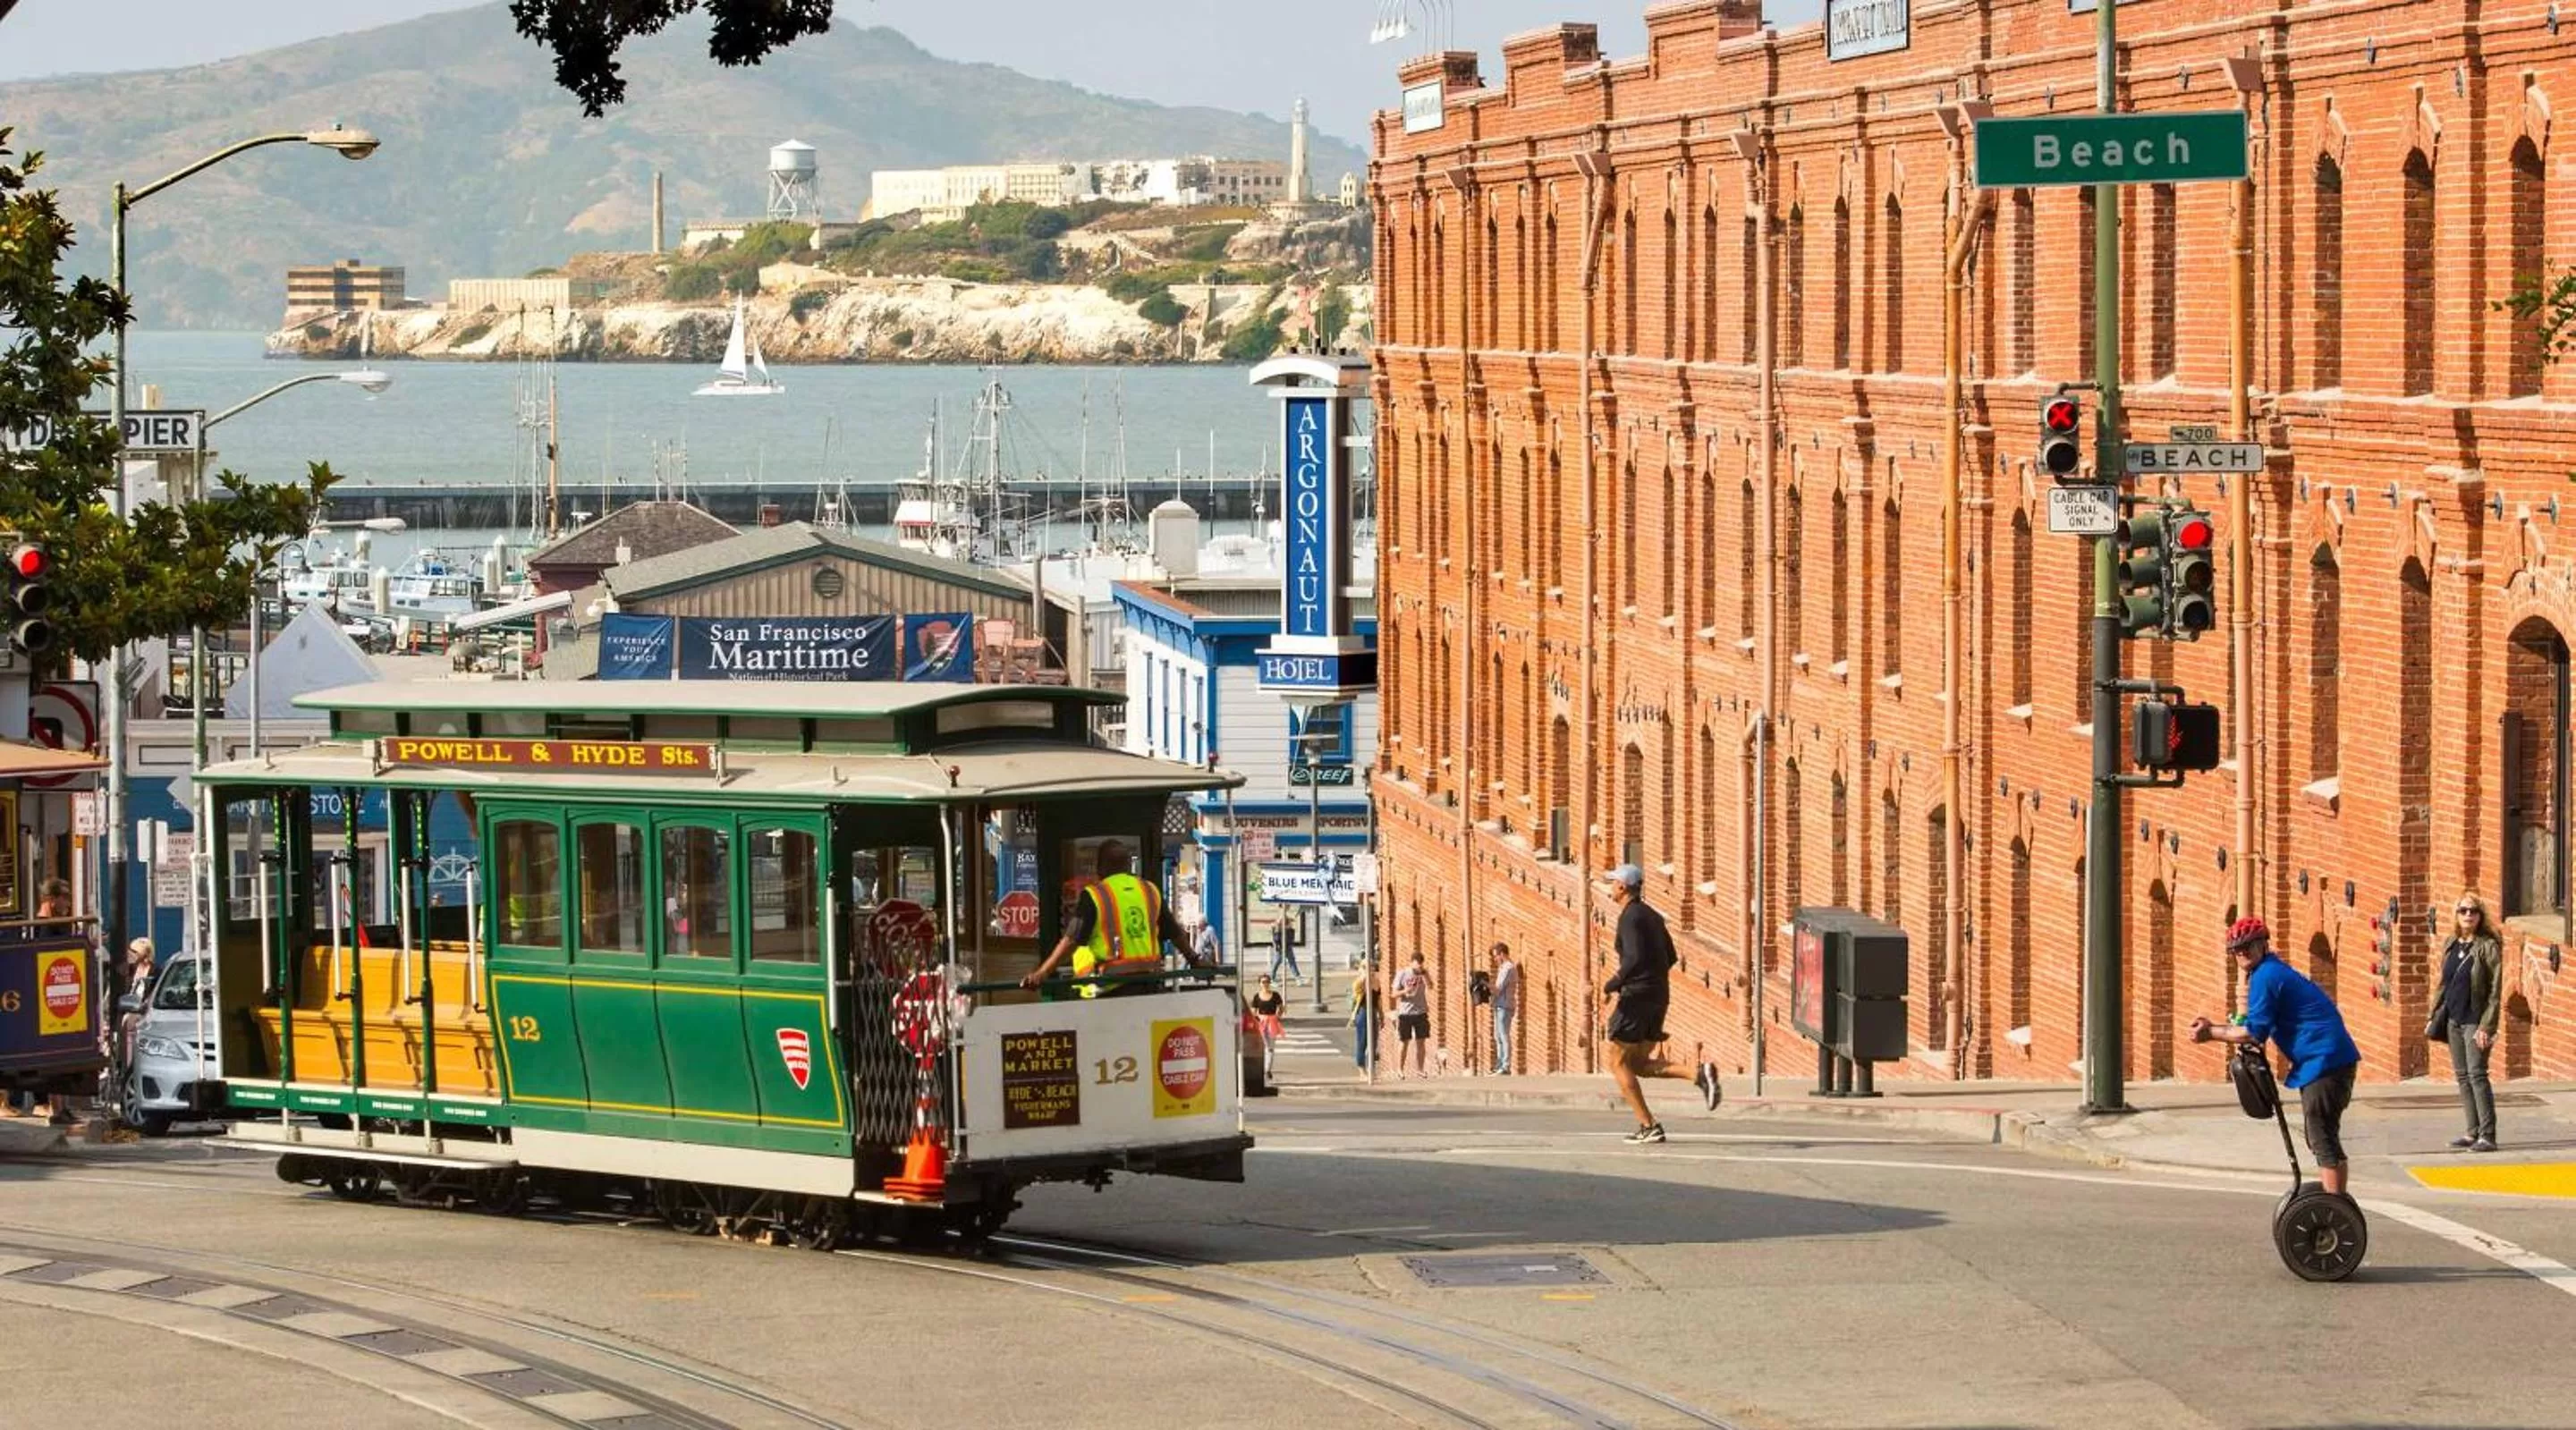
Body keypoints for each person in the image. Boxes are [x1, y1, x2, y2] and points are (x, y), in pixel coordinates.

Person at [2192, 917, 2363, 1196]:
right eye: (2237, 949)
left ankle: (2336, 1207)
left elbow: (2254, 1033)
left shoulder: (2267, 976)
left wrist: (2211, 1033)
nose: (2243, 953)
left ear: (2263, 945)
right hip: (2324, 1061)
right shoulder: (2268, 973)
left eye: (2248, 946)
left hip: (2326, 1062)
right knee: (2319, 1135)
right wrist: (2221, 1028)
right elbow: (2255, 1023)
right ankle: (2335, 1203)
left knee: (2322, 1136)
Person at [1020, 840, 1203, 997]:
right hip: (1150, 986)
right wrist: (1195, 960)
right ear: (1127, 866)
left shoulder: (1095, 895)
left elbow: (1071, 941)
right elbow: (1174, 932)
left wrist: (1042, 973)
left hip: (1112, 989)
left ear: (1101, 866)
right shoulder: (1149, 890)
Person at [1601, 864, 1675, 1144]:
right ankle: (1698, 1075)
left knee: (1617, 1061)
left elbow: (1632, 958)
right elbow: (1670, 956)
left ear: (1622, 887)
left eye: (1613, 883)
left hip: (1637, 998)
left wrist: (1614, 983)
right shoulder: (1653, 916)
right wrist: (1652, 981)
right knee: (1641, 1063)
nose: (1611, 887)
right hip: (1658, 995)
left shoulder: (1630, 917)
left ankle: (1648, 1125)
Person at [2432, 891, 2504, 1153]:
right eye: (2463, 911)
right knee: (2463, 1076)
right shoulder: (2451, 943)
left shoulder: (2488, 946)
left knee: (2477, 1075)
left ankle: (2488, 1135)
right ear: (2456, 914)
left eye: (2473, 911)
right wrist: (2434, 1012)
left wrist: (2487, 1026)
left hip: (2476, 1020)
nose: (2468, 915)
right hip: (2453, 1018)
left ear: (2481, 916)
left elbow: (2495, 991)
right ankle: (2471, 1132)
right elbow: (2444, 982)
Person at [1390, 952, 1432, 1079]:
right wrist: (1404, 991)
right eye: (1417, 963)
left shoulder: (1423, 974)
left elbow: (1431, 986)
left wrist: (1426, 975)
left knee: (1421, 1041)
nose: (1419, 966)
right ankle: (1400, 1070)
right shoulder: (1403, 974)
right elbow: (1393, 994)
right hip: (1406, 1012)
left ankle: (1420, 1069)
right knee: (1404, 1042)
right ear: (1412, 962)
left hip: (1420, 1011)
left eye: (1421, 963)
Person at [1247, 974, 1286, 1082]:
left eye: (1267, 982)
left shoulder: (1275, 995)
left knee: (1270, 1047)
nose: (1265, 984)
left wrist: (1278, 1016)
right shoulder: (1256, 996)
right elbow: (1254, 1011)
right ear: (1259, 983)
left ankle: (1267, 1069)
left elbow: (1281, 1007)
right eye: (1263, 982)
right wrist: (1257, 1019)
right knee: (1262, 1046)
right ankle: (1263, 1068)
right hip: (1261, 1022)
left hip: (1272, 1022)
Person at [1489, 943, 1520, 1075]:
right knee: (1498, 1036)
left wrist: (1485, 983)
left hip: (1505, 1006)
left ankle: (1506, 1065)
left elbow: (1498, 989)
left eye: (1496, 956)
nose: (1495, 959)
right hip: (1500, 1005)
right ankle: (1500, 1064)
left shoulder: (1508, 968)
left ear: (1502, 954)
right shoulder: (1503, 968)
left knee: (1504, 1035)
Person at [1348, 962, 1377, 1074]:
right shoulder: (1359, 982)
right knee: (1362, 1041)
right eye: (1369, 968)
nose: (1372, 971)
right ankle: (1362, 1069)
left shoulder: (1376, 981)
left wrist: (1381, 1014)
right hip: (1363, 1011)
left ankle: (1371, 1068)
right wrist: (1364, 977)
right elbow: (1356, 990)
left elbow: (1378, 998)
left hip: (1373, 1011)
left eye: (1373, 968)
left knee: (1373, 1041)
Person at [1267, 908, 1303, 985]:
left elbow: (1291, 928)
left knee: (1292, 962)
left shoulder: (1289, 929)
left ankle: (1298, 978)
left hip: (1288, 946)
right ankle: (1272, 979)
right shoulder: (1277, 929)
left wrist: (1287, 919)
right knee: (1277, 962)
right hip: (1280, 948)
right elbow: (1275, 933)